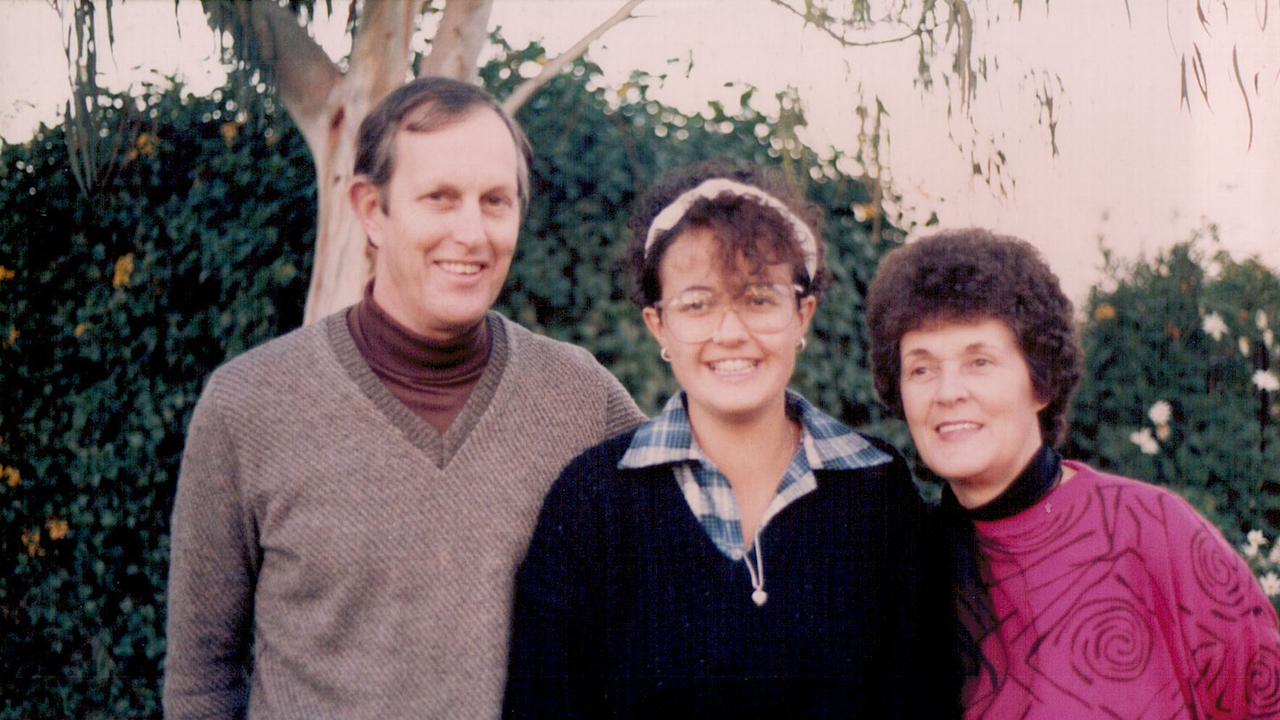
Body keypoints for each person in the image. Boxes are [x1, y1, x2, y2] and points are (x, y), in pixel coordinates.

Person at [162, 78, 645, 719]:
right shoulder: (249, 406)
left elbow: (690, 559)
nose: (472, 233)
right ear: (370, 209)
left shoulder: (580, 400)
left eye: (496, 201)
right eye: (440, 198)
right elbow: (201, 679)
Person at [503, 164, 953, 718]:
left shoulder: (877, 491)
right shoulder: (592, 503)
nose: (730, 332)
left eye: (759, 299)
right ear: (659, 325)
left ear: (802, 314)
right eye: (697, 304)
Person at [865, 227, 1280, 719]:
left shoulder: (1155, 532)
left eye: (979, 361)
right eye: (922, 369)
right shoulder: (908, 567)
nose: (947, 391)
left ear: (1040, 384)